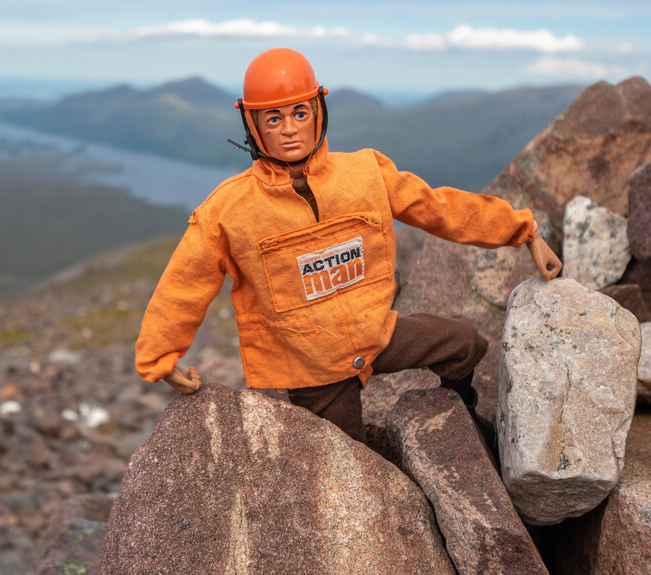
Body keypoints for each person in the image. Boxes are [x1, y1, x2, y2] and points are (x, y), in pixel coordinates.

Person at [135, 48, 561, 444]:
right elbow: (184, 283)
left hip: (376, 333)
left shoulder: (366, 173)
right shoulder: (227, 211)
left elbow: (440, 207)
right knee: (351, 459)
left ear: (318, 110)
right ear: (252, 125)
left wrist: (525, 231)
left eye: (299, 112)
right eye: (273, 119)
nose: (289, 130)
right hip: (312, 366)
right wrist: (161, 358)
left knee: (465, 343)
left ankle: (460, 417)